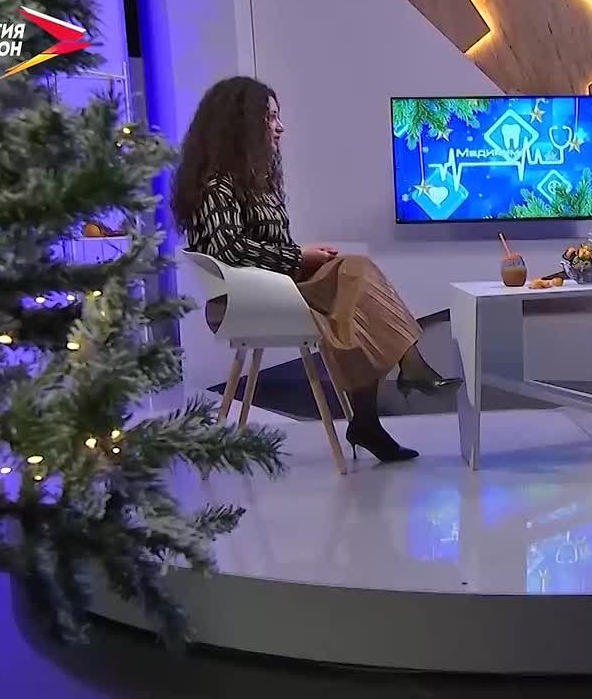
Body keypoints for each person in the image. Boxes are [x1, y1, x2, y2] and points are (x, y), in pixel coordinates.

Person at [173, 76, 460, 462]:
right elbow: (231, 251)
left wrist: (303, 258)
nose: (280, 127)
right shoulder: (216, 187)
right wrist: (299, 257)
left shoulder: (254, 181)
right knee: (354, 277)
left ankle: (376, 410)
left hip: (274, 287)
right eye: (270, 117)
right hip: (246, 299)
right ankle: (400, 380)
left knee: (353, 286)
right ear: (240, 124)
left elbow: (263, 248)